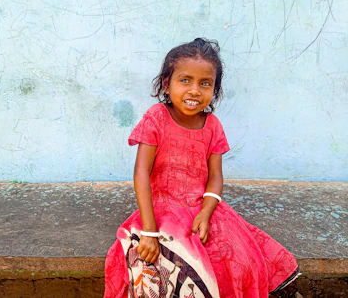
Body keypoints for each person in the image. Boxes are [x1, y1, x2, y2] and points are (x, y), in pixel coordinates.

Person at [104, 38, 300, 298]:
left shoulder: (213, 125)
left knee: (236, 256)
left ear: (214, 89)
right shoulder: (156, 118)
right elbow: (141, 173)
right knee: (158, 260)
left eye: (205, 83)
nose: (195, 90)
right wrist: (149, 230)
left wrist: (206, 213)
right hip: (161, 208)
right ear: (166, 83)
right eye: (185, 80)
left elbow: (216, 177)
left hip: (203, 206)